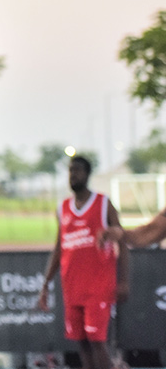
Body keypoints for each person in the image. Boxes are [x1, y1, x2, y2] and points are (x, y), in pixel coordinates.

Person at [37, 155, 129, 369]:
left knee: (97, 341)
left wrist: (124, 281)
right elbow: (59, 247)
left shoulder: (103, 203)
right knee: (82, 343)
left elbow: (122, 242)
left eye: (77, 170)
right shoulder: (63, 208)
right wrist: (45, 284)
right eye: (70, 170)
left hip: (98, 286)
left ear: (87, 174)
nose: (73, 175)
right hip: (72, 286)